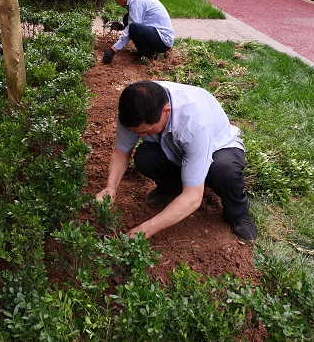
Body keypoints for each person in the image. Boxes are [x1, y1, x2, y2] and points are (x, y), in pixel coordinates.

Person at [95, 80, 258, 242]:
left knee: (224, 171)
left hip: (218, 147)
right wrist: (110, 187)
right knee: (145, 156)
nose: (141, 135)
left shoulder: (195, 123)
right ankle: (172, 188)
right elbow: (121, 151)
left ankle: (238, 213)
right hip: (176, 147)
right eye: (137, 132)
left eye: (146, 132)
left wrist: (146, 229)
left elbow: (193, 197)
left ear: (166, 111)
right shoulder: (133, 108)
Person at [101, 0, 174, 64]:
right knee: (127, 18)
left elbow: (133, 28)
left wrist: (113, 50)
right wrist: (122, 27)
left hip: (163, 41)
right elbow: (136, 21)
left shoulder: (136, 1)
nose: (117, 3)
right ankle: (145, 51)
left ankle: (148, 55)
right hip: (156, 34)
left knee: (133, 27)